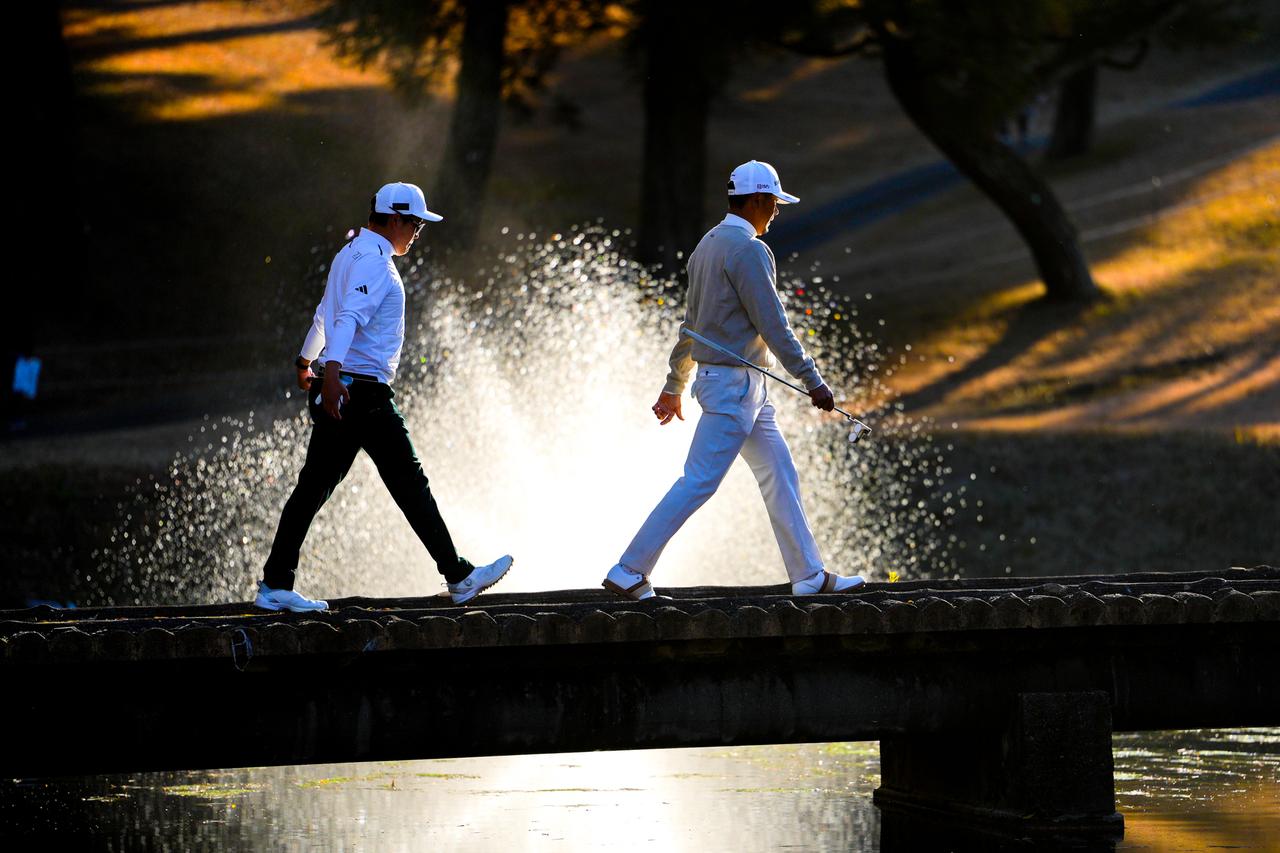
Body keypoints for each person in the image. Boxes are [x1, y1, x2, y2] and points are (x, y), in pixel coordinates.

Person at [602, 161, 866, 601]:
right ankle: (629, 569)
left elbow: (691, 327)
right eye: (775, 203)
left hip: (742, 390)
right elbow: (774, 325)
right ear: (759, 200)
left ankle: (808, 575)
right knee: (699, 480)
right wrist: (813, 380)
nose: (777, 212)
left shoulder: (707, 245)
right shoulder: (749, 250)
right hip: (733, 388)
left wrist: (675, 385)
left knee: (780, 474)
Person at [254, 182, 513, 612]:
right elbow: (349, 316)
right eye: (414, 224)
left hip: (344, 389)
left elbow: (325, 313)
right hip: (362, 393)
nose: (416, 233)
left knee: (313, 489)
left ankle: (276, 583)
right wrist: (332, 372)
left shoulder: (349, 253)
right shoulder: (375, 262)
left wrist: (306, 362)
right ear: (394, 219)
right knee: (410, 484)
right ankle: (459, 575)